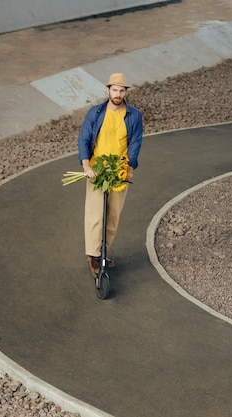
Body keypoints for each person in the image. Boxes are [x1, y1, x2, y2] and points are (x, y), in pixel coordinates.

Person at [77, 73, 143, 275]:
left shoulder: (134, 115)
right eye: (114, 90)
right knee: (95, 215)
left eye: (122, 90)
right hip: (97, 172)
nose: (118, 94)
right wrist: (87, 167)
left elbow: (135, 143)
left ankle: (102, 249)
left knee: (113, 215)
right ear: (107, 90)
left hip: (119, 172)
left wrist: (129, 169)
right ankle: (93, 256)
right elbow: (84, 140)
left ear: (126, 92)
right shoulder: (95, 113)